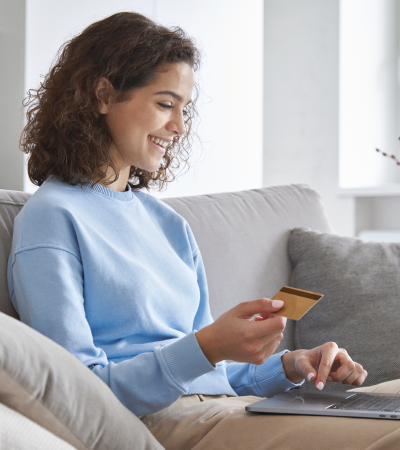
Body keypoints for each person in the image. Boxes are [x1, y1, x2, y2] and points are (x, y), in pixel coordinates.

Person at [7, 11, 400, 450]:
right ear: (102, 94)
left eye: (183, 109)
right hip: (155, 421)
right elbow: (77, 393)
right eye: (164, 103)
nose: (178, 127)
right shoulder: (52, 218)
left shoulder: (168, 225)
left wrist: (290, 366)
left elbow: (211, 374)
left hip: (221, 408)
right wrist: (208, 345)